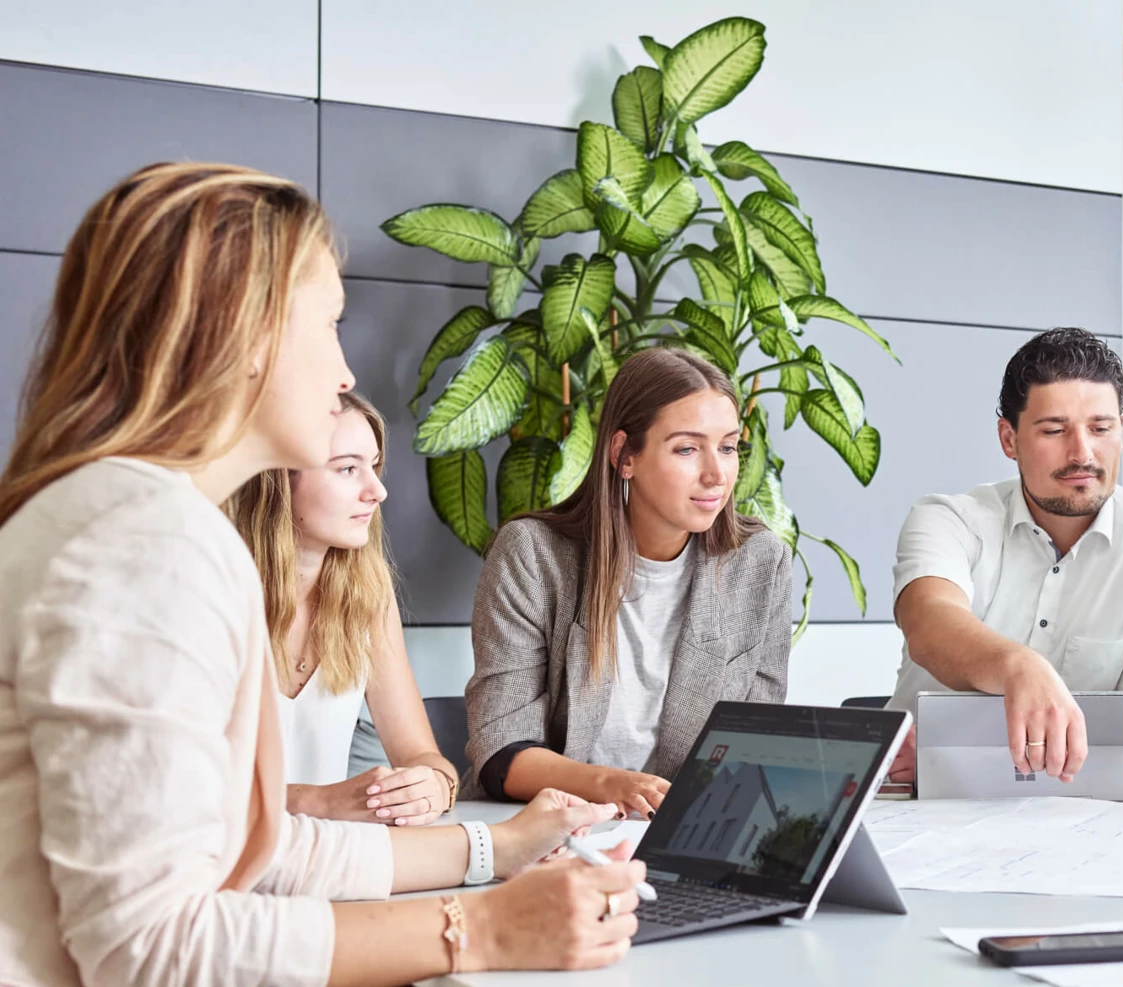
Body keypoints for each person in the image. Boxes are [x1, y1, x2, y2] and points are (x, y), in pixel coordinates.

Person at [0, 162, 646, 987]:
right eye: (330, 324)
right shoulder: (144, 544)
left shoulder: (129, 518)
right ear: (241, 332)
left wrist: (496, 846)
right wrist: (476, 928)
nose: (344, 372)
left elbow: (252, 846)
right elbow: (152, 948)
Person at [466, 347, 794, 818]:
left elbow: (757, 744)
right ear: (624, 455)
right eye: (686, 448)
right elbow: (500, 750)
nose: (716, 474)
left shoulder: (761, 563)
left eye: (727, 447)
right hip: (553, 831)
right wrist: (609, 785)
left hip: (690, 834)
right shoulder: (533, 554)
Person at [884, 326, 1123, 783]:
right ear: (1009, 439)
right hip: (910, 803)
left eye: (1101, 428)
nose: (1082, 453)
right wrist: (1019, 666)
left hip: (1073, 820)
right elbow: (929, 625)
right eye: (1055, 430)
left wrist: (954, 759)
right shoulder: (948, 519)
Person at [229, 392, 460, 827]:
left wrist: (433, 786)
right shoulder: (213, 594)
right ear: (277, 477)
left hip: (332, 868)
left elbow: (422, 755)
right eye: (348, 468)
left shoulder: (368, 595)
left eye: (374, 466)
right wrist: (318, 802)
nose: (378, 491)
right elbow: (184, 794)